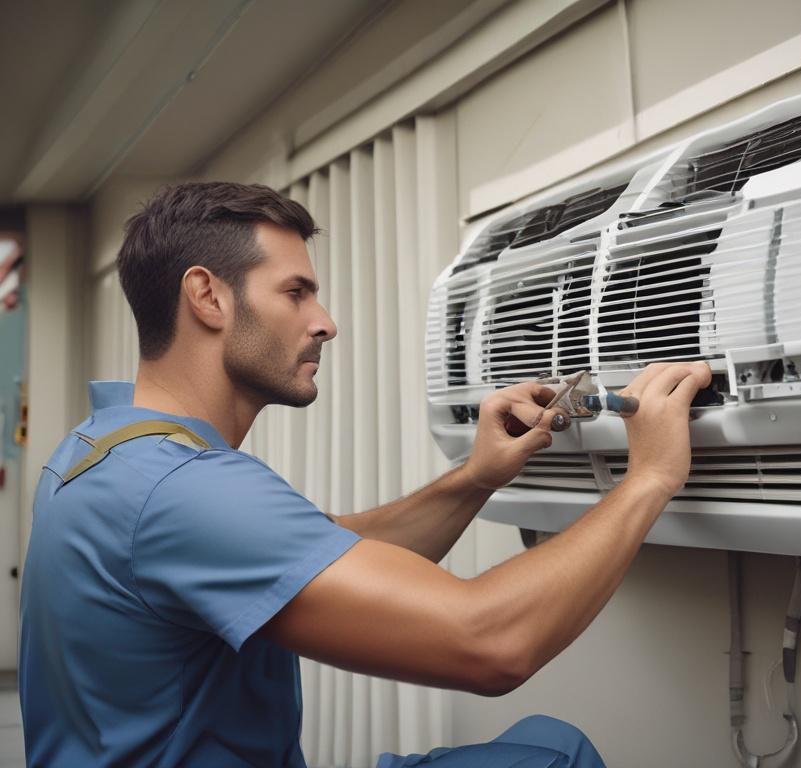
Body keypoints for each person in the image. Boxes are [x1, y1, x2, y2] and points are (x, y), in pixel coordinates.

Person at [18, 182, 712, 767]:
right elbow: (491, 644)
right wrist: (649, 476)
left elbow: (319, 557)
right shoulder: (184, 489)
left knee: (541, 749)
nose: (325, 322)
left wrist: (475, 478)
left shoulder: (103, 447)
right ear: (208, 297)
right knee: (553, 757)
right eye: (295, 292)